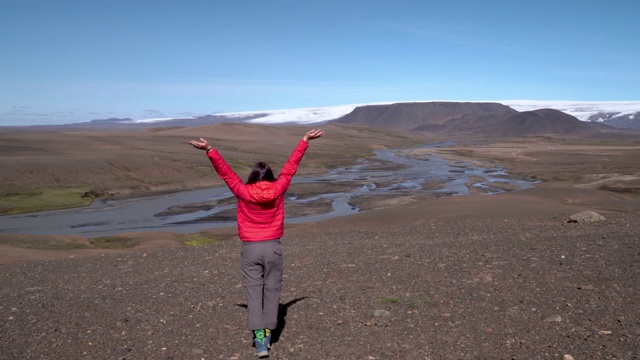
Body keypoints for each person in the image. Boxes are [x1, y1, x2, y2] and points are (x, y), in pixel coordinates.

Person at [189, 129, 324, 358]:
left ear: (252, 176)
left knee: (254, 293)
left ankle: (260, 341)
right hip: (273, 247)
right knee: (272, 290)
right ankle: (270, 331)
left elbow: (227, 174)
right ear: (270, 176)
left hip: (250, 249)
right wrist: (304, 141)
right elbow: (291, 167)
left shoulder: (242, 191)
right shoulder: (279, 188)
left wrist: (210, 150)